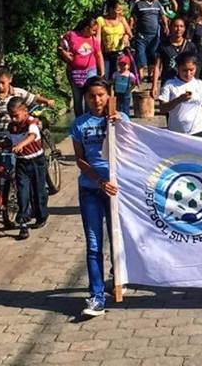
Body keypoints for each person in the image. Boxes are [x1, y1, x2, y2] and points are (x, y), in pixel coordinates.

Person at [70, 76, 127, 318]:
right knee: (94, 245)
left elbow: (131, 149)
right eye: (91, 96)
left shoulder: (120, 119)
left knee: (117, 239)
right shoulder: (79, 124)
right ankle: (96, 295)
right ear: (85, 98)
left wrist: (121, 126)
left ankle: (119, 276)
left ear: (109, 95)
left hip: (116, 190)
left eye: (101, 95)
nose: (97, 100)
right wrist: (98, 181)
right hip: (91, 190)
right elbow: (80, 160)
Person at [5, 98, 49, 240]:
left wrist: (21, 145)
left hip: (36, 162)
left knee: (38, 191)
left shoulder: (31, 123)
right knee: (22, 193)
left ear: (25, 112)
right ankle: (23, 223)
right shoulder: (11, 126)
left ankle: (41, 216)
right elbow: (8, 140)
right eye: (11, 116)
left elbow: (32, 136)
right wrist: (2, 146)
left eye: (16, 115)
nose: (13, 119)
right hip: (21, 163)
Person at [0, 65, 54, 148]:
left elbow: (33, 98)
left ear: (10, 79)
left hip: (15, 135)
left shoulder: (18, 93)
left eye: (3, 83)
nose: (0, 86)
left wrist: (47, 101)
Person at [158, 53, 202, 137]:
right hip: (176, 132)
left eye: (191, 70)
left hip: (198, 129)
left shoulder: (200, 84)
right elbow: (162, 109)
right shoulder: (170, 85)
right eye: (184, 70)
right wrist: (179, 99)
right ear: (178, 68)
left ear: (196, 68)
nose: (188, 73)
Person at [59, 16, 105, 117]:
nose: (94, 33)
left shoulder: (93, 40)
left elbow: (98, 54)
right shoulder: (71, 35)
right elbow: (60, 46)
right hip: (74, 71)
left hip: (90, 70)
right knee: (77, 97)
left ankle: (89, 117)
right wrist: (64, 52)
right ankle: (79, 119)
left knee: (90, 94)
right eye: (93, 30)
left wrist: (102, 72)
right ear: (86, 28)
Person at [150, 17, 197, 100]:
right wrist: (154, 85)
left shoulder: (190, 46)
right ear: (171, 27)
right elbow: (157, 66)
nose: (178, 29)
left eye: (181, 26)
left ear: (184, 28)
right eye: (176, 26)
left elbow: (195, 66)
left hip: (185, 84)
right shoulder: (163, 46)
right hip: (168, 83)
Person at [129, 0, 168, 78]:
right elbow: (132, 18)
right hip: (141, 35)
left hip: (154, 36)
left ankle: (151, 76)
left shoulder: (157, 3)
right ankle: (140, 76)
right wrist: (129, 29)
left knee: (153, 54)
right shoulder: (139, 4)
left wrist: (166, 26)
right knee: (140, 54)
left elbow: (163, 16)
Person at [97, 0, 132, 78]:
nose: (120, 12)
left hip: (119, 53)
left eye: (121, 10)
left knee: (117, 75)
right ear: (111, 9)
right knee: (104, 75)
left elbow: (130, 33)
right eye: (118, 10)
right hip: (105, 53)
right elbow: (98, 37)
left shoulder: (122, 19)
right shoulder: (101, 20)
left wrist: (126, 36)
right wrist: (97, 51)